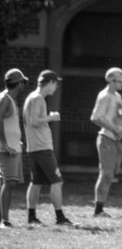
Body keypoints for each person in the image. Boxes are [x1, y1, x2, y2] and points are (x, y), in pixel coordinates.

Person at [23, 69, 73, 225]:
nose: (56, 88)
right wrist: (51, 117)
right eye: (55, 84)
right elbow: (34, 121)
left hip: (33, 148)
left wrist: (46, 117)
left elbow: (34, 119)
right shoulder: (38, 98)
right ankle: (60, 218)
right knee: (57, 181)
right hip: (42, 148)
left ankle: (31, 217)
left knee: (36, 183)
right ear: (50, 83)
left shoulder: (31, 97)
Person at [91, 67, 122, 217]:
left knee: (111, 175)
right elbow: (96, 117)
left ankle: (100, 208)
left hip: (115, 139)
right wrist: (115, 128)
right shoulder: (104, 96)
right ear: (111, 80)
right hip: (106, 139)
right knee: (106, 174)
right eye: (121, 81)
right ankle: (98, 210)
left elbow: (116, 116)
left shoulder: (117, 96)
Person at [0, 69, 28, 228]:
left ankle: (3, 218)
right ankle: (4, 220)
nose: (24, 85)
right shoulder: (5, 98)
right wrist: (5, 144)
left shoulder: (8, 98)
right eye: (23, 82)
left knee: (8, 182)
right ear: (17, 84)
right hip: (7, 149)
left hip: (13, 147)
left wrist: (17, 141)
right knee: (9, 182)